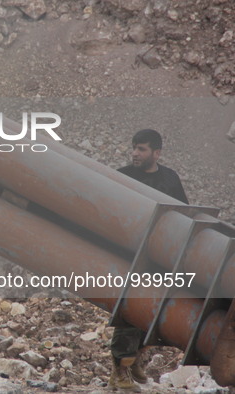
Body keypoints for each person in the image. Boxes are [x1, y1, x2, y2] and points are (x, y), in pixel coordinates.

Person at [109, 129, 188, 391]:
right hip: (130, 256)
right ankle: (119, 371)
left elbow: (184, 215)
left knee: (151, 312)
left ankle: (134, 361)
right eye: (133, 147)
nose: (135, 153)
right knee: (130, 311)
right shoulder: (123, 176)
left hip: (159, 259)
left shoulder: (170, 179)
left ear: (157, 153)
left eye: (141, 149)